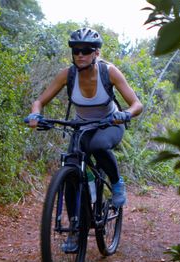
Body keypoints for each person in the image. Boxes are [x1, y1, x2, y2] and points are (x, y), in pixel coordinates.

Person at [26, 27, 143, 211]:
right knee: (71, 168)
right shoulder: (67, 74)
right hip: (82, 126)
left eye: (86, 50)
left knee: (97, 146)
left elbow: (137, 104)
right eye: (76, 51)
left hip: (110, 124)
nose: (80, 55)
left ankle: (116, 183)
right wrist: (35, 114)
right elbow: (39, 101)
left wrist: (125, 114)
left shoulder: (109, 72)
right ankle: (74, 232)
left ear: (96, 52)